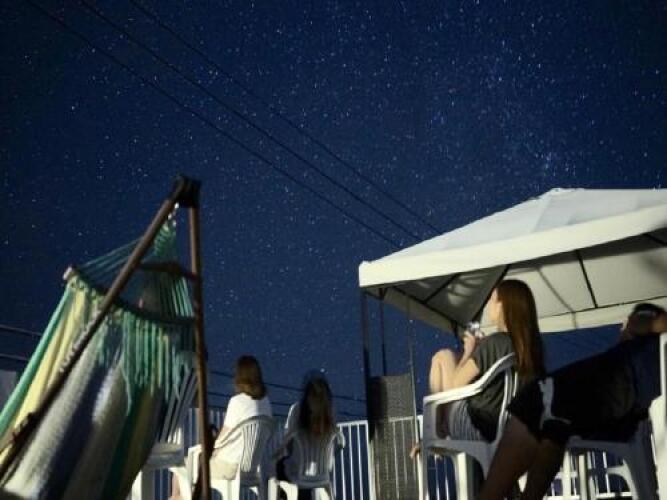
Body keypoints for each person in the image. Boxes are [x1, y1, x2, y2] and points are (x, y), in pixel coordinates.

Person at [478, 303, 667, 500]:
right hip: (617, 408)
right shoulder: (646, 356)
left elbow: (653, 321)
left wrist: (634, 322)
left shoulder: (640, 349)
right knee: (553, 426)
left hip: (615, 391)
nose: (621, 328)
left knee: (536, 401)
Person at [422, 279, 545, 446]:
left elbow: (455, 385)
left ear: (503, 306)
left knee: (442, 357)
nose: (488, 304)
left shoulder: (495, 342)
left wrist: (469, 350)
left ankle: (432, 434)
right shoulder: (530, 348)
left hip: (477, 428)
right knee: (453, 360)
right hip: (511, 428)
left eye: (492, 299)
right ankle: (437, 430)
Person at [170, 355, 272, 500]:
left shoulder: (237, 401)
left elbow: (223, 435)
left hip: (230, 466)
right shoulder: (266, 403)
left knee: (183, 466)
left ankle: (175, 497)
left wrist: (211, 446)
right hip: (252, 469)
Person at [273, 371, 337, 500]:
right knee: (302, 472)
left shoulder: (297, 410)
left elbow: (288, 444)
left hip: (301, 471)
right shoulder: (328, 415)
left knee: (279, 466)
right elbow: (338, 444)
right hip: (323, 473)